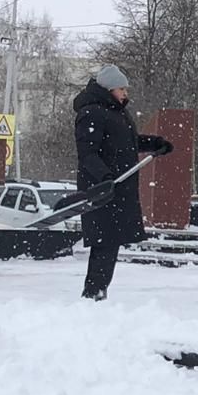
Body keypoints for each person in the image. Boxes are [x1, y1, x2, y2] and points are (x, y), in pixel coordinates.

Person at [73, 64, 172, 300]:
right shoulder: (92, 113)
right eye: (121, 89)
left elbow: (126, 143)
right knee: (104, 242)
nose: (125, 93)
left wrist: (154, 143)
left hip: (119, 189)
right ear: (108, 89)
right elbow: (87, 153)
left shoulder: (116, 112)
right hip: (103, 190)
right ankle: (93, 293)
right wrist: (104, 177)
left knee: (110, 242)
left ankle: (97, 292)